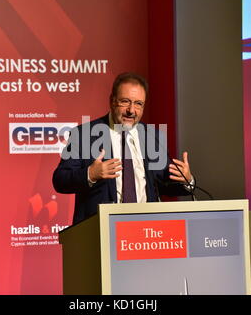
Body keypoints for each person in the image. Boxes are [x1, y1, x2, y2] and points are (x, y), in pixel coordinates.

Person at [53, 72, 194, 224]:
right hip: (100, 229)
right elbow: (60, 180)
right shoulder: (84, 135)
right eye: (125, 101)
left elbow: (165, 185)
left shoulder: (153, 137)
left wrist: (186, 180)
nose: (131, 110)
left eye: (138, 104)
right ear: (112, 101)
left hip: (147, 229)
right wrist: (90, 174)